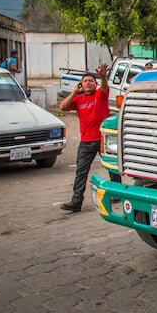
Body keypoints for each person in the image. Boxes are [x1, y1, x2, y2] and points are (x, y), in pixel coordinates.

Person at [59, 63, 110, 212]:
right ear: (81, 84)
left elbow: (105, 87)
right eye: (85, 81)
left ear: (95, 84)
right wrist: (74, 92)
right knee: (81, 171)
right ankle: (76, 201)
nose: (88, 83)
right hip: (86, 141)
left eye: (91, 81)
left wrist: (102, 76)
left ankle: (116, 193)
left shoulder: (100, 95)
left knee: (113, 168)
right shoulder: (78, 99)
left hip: (102, 139)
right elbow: (62, 107)